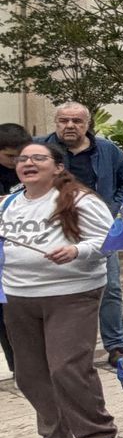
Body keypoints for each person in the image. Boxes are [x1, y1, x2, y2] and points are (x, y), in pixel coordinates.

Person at [2, 142, 118, 438]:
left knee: (67, 367)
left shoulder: (79, 199)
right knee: (29, 374)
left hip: (71, 292)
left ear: (57, 166)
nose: (28, 162)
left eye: (38, 157)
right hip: (18, 296)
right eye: (23, 158)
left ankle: (98, 432)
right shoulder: (10, 202)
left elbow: (111, 239)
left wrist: (76, 251)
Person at [43, 102, 123, 367]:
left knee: (111, 287)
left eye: (76, 121)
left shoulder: (107, 150)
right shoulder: (41, 149)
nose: (70, 125)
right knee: (57, 288)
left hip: (100, 230)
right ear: (56, 122)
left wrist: (110, 209)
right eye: (63, 120)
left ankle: (116, 346)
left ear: (88, 124)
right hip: (54, 230)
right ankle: (62, 346)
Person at [0, 121, 27, 380]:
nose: (16, 161)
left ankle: (27, 365)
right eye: (9, 156)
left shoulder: (29, 169)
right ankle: (16, 366)